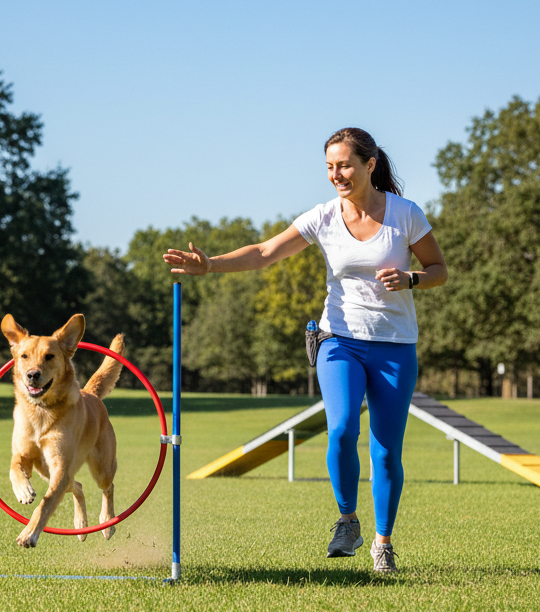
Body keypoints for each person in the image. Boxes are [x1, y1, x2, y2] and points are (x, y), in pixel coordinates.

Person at [163, 127, 448, 573]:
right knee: (340, 429)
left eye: (345, 165)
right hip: (338, 339)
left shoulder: (405, 214)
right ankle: (347, 519)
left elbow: (439, 270)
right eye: (330, 167)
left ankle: (383, 542)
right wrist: (211, 264)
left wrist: (412, 278)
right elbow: (263, 252)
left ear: (369, 165)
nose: (336, 174)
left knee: (387, 451)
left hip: (395, 345)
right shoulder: (323, 217)